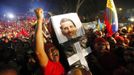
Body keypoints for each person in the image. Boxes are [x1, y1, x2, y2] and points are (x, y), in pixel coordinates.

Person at [34, 8, 64, 75]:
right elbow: (39, 52)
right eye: (50, 50)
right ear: (46, 55)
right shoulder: (48, 65)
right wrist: (39, 20)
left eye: (54, 48)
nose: (54, 51)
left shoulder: (59, 63)